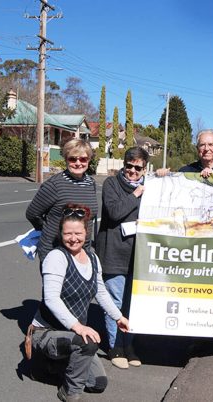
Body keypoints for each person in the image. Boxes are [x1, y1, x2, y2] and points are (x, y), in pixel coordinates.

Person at [27, 204, 129, 401]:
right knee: (86, 342)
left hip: (72, 333)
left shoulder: (92, 257)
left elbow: (100, 291)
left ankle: (59, 365)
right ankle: (69, 391)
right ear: (61, 233)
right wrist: (78, 326)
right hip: (46, 332)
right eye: (68, 233)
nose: (73, 238)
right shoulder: (56, 257)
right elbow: (51, 299)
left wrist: (118, 317)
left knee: (97, 384)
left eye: (78, 233)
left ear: (86, 232)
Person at [96, 147, 149, 369]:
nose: (133, 171)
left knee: (133, 305)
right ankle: (115, 346)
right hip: (113, 253)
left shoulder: (151, 187)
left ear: (145, 168)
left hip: (137, 256)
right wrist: (136, 195)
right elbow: (115, 212)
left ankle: (129, 346)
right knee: (115, 303)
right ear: (124, 164)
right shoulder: (111, 184)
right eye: (129, 166)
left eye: (138, 168)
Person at [26, 139, 99, 264]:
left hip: (82, 251)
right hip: (55, 251)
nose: (78, 163)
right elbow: (32, 214)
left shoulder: (90, 183)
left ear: (89, 160)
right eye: (72, 159)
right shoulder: (55, 185)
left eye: (83, 159)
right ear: (66, 159)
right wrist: (51, 232)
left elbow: (89, 218)